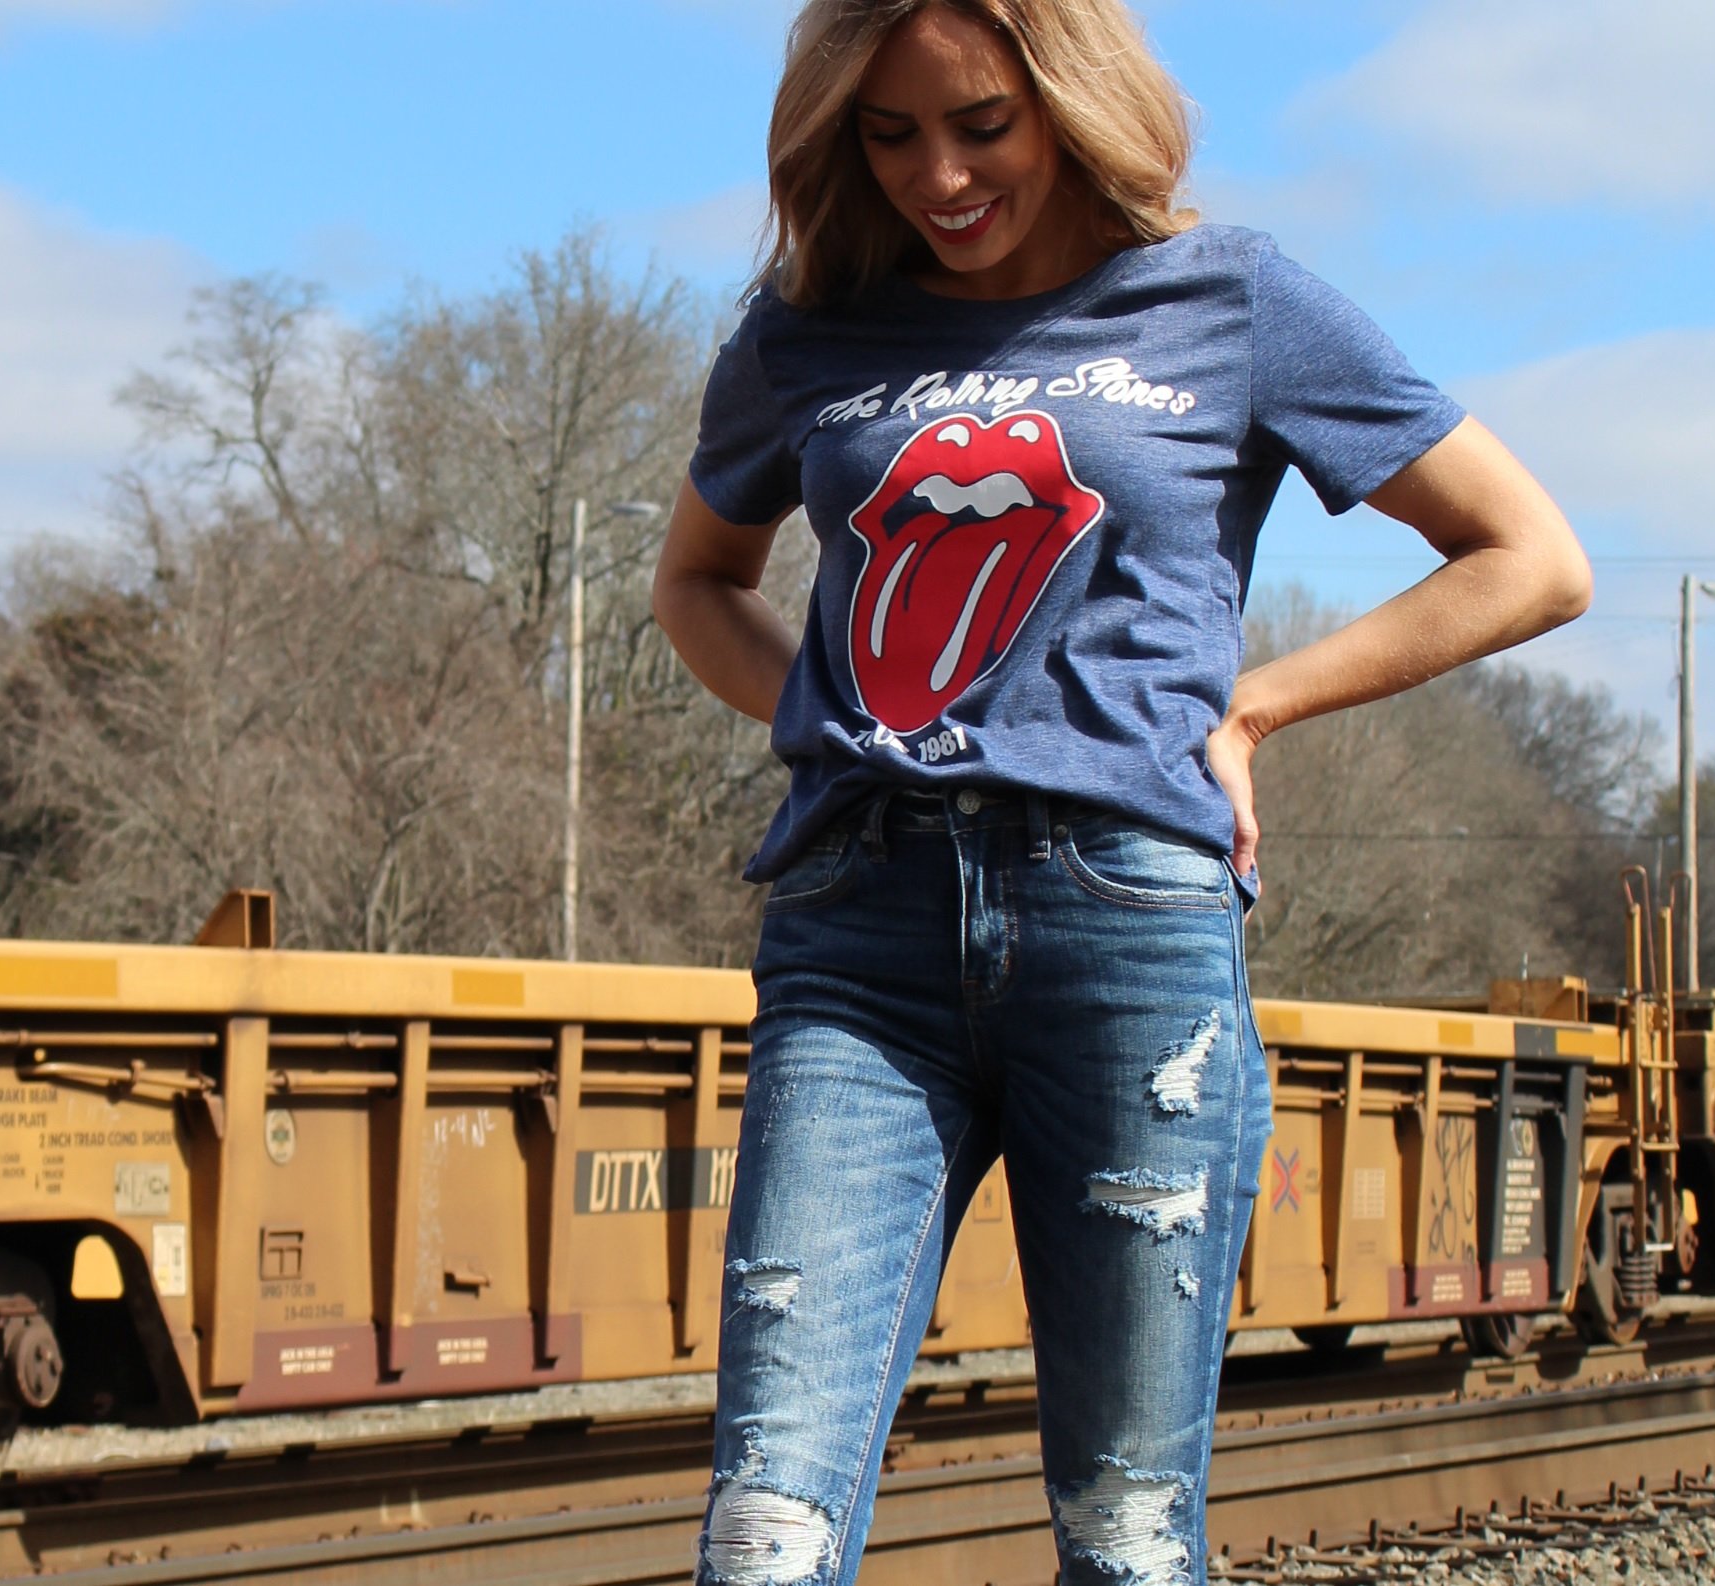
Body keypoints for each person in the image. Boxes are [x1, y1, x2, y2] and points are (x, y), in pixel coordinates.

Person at [652, 1, 1592, 1581]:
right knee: (765, 1522)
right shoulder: (810, 326)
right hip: (856, 932)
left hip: (1128, 930)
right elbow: (698, 580)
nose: (936, 175)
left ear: (1072, 102)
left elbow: (1530, 556)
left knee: (1130, 1534)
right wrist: (839, 713)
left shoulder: (1228, 297)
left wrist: (1258, 705)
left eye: (980, 126)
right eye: (888, 137)